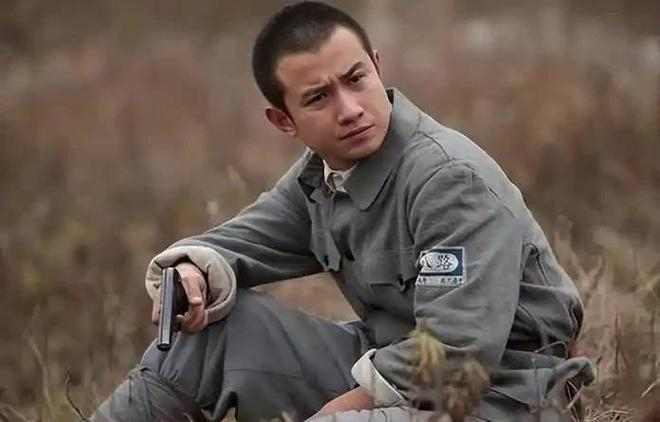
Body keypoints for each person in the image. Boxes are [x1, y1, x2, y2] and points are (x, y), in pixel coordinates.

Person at [91, 2, 595, 421]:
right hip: (394, 375)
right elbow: (241, 241)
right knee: (205, 340)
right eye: (319, 98)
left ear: (376, 66)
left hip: (503, 397)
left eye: (356, 79)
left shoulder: (448, 179)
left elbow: (456, 353)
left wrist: (338, 410)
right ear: (283, 120)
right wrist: (190, 270)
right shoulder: (324, 176)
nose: (350, 108)